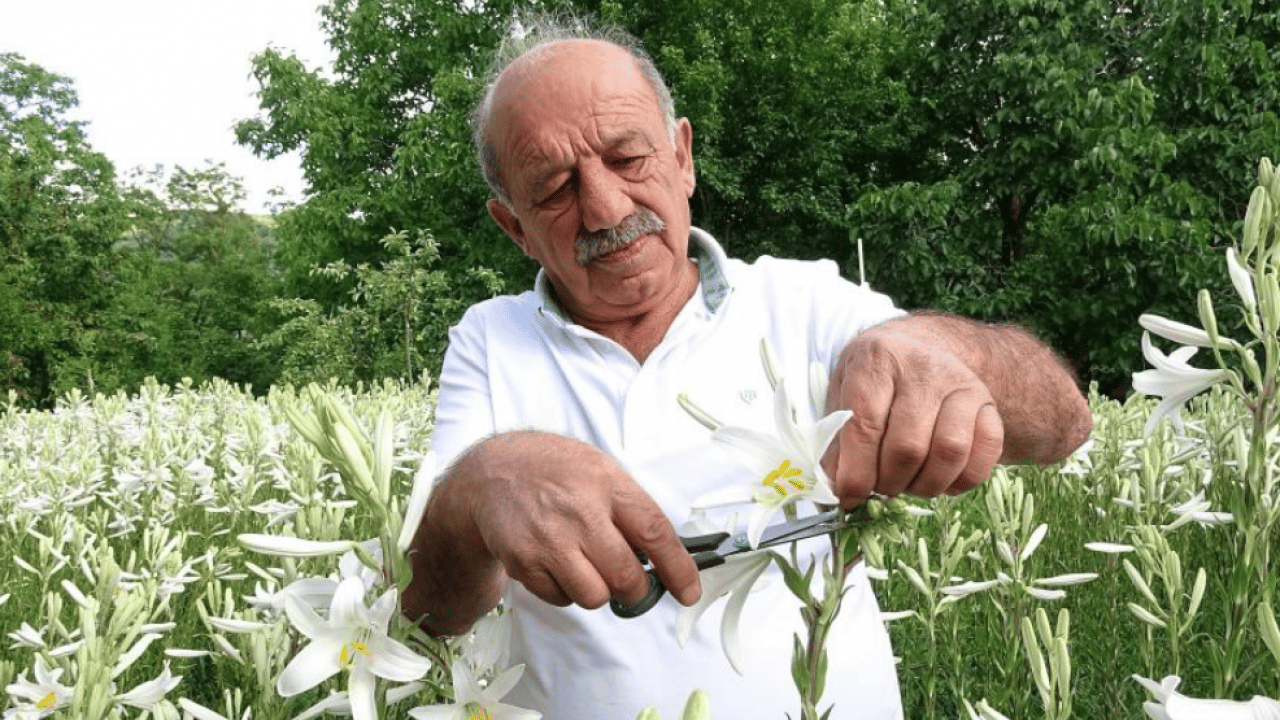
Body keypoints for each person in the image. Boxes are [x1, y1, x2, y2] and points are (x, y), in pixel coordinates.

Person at [402, 14, 1092, 720]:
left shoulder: (805, 301)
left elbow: (1066, 423)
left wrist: (952, 355)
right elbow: (429, 611)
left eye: (627, 157)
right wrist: (479, 490)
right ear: (513, 226)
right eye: (554, 189)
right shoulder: (489, 340)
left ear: (683, 157)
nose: (606, 209)